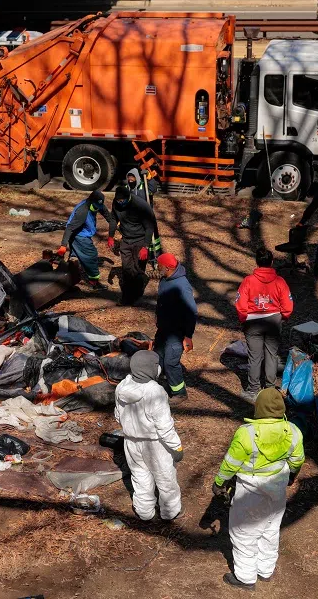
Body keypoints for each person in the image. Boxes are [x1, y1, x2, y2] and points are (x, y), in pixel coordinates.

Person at [212, 388, 305, 591]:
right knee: (270, 529)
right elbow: (297, 460)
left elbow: (231, 463)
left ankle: (245, 577)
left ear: (259, 408)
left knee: (244, 533)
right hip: (277, 489)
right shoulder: (293, 431)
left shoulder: (246, 433)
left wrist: (219, 483)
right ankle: (265, 570)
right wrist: (292, 476)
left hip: (249, 492)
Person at [114, 350, 184, 521]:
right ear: (152, 369)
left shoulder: (122, 386)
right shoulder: (156, 391)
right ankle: (170, 512)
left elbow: (118, 415)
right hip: (155, 445)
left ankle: (144, 512)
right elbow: (164, 426)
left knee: (139, 477)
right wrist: (177, 447)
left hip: (131, 442)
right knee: (165, 479)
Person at [235, 248, 294, 403]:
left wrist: (244, 318)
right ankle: (270, 388)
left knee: (254, 357)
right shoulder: (279, 281)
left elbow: (240, 302)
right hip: (273, 321)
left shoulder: (248, 281)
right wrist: (283, 316)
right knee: (271, 355)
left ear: (257, 261)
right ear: (272, 262)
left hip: (252, 322)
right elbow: (288, 303)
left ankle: (253, 390)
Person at [154, 253, 197, 403]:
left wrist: (188, 335)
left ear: (167, 268)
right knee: (157, 356)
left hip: (176, 332)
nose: (157, 267)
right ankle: (161, 384)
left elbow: (191, 312)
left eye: (159, 265)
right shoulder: (165, 279)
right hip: (164, 329)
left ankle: (179, 393)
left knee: (171, 362)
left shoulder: (181, 286)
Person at [107, 185, 157, 305]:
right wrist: (110, 236)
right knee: (127, 269)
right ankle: (127, 298)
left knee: (138, 269)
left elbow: (150, 227)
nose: (121, 203)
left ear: (128, 197)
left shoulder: (140, 206)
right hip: (126, 240)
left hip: (140, 240)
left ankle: (137, 294)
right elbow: (113, 219)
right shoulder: (116, 203)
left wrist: (145, 246)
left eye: (122, 200)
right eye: (118, 201)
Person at [58, 190, 112, 289]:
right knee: (91, 256)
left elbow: (105, 212)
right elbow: (70, 228)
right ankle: (94, 282)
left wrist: (113, 223)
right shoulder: (82, 211)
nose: (97, 208)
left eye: (98, 206)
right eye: (95, 206)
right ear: (90, 201)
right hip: (79, 236)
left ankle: (68, 276)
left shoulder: (96, 204)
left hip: (82, 234)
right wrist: (63, 245)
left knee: (76, 257)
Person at [124, 168, 163, 257]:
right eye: (128, 178)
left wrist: (150, 179)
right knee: (140, 238)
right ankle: (142, 254)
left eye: (132, 177)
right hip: (134, 219)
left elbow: (153, 189)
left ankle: (155, 256)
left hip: (147, 216)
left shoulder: (144, 186)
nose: (130, 180)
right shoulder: (127, 189)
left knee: (152, 237)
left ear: (136, 177)